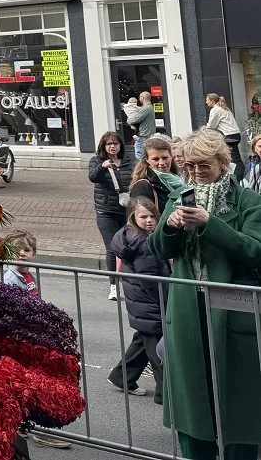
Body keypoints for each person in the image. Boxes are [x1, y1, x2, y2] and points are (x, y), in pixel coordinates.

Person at [151, 128, 261, 459]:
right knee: (193, 403)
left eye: (204, 165)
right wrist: (169, 227)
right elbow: (157, 247)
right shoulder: (178, 196)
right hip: (188, 313)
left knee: (240, 404)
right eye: (191, 166)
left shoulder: (247, 200)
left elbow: (255, 250)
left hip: (232, 314)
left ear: (222, 163)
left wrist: (209, 223)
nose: (196, 172)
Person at [107, 196, 168, 401]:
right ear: (133, 217)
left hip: (141, 301)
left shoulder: (129, 235)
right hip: (150, 302)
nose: (149, 220)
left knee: (144, 339)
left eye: (153, 216)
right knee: (157, 350)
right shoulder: (144, 242)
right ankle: (164, 393)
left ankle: (122, 376)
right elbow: (150, 279)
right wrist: (165, 299)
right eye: (144, 216)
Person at [88, 131, 133, 300]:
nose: (113, 146)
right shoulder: (96, 161)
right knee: (112, 248)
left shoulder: (129, 162)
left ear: (121, 146)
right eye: (109, 144)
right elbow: (92, 177)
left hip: (127, 212)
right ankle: (113, 285)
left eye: (116, 143)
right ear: (104, 147)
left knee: (129, 246)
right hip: (106, 211)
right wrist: (103, 166)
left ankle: (130, 281)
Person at [131, 135, 176, 212]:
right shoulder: (142, 187)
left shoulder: (180, 179)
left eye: (165, 158)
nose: (161, 163)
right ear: (147, 160)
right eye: (155, 159)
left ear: (171, 157)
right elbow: (141, 219)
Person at [205, 93, 243, 178]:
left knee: (233, 159)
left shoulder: (215, 110)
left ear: (212, 101)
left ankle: (238, 178)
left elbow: (211, 126)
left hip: (229, 136)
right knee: (234, 158)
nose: (206, 102)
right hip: (234, 134)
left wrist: (204, 129)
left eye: (207, 100)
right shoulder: (224, 108)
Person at [122, 92, 157, 160]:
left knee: (140, 157)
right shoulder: (148, 107)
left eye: (140, 97)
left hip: (143, 136)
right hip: (146, 135)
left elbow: (134, 119)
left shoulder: (146, 108)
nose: (139, 99)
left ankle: (141, 169)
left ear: (142, 98)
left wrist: (128, 121)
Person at [3, 231, 39, 295]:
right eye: (16, 250)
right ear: (9, 254)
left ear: (33, 254)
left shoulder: (31, 276)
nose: (21, 253)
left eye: (27, 250)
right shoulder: (9, 280)